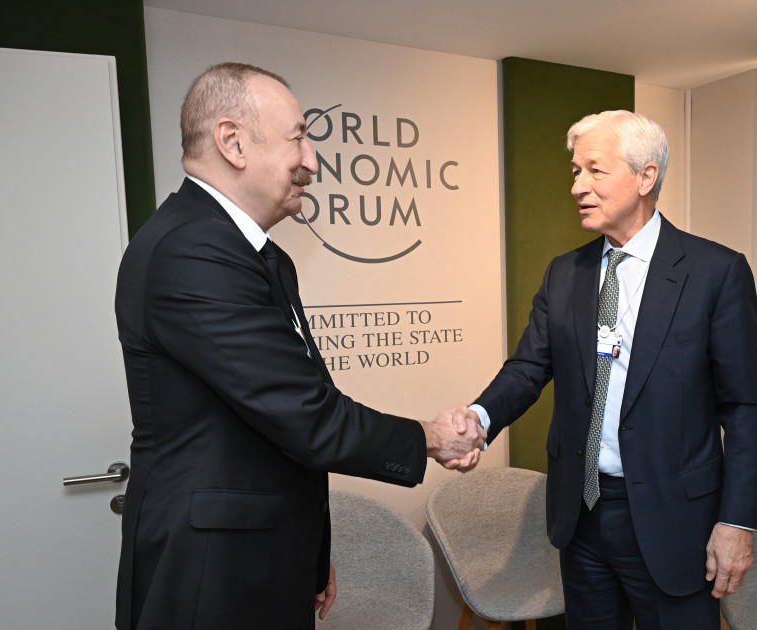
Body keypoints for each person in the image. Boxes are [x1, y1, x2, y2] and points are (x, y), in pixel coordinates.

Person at [114, 62, 484, 630]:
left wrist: (310, 551)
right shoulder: (193, 249)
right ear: (233, 142)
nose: (312, 161)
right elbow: (308, 417)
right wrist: (433, 438)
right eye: (298, 138)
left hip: (263, 558)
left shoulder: (259, 256)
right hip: (211, 575)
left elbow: (280, 427)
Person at [461, 110, 757, 629]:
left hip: (676, 519)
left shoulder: (716, 272)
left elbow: (744, 406)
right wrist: (479, 418)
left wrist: (737, 520)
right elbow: (527, 368)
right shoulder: (565, 273)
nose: (577, 186)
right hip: (582, 514)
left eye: (594, 170)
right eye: (575, 171)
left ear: (646, 176)